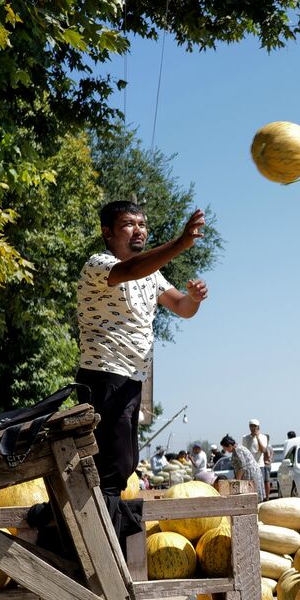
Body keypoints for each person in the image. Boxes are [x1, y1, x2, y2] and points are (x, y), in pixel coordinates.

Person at [77, 201, 207, 494]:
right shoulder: (98, 265)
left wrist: (194, 298)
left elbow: (181, 307)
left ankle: (105, 528)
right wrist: (180, 243)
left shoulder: (152, 274)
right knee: (112, 467)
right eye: (129, 224)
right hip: (103, 376)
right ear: (107, 232)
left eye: (142, 224)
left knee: (126, 463)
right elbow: (132, 268)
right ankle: (98, 533)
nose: (139, 230)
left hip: (132, 379)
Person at [221, 436, 265, 500]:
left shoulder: (237, 450)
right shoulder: (238, 448)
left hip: (250, 474)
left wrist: (237, 481)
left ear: (230, 445)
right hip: (251, 472)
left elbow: (242, 466)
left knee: (252, 498)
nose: (225, 450)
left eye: (225, 448)